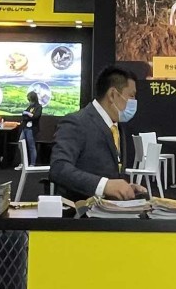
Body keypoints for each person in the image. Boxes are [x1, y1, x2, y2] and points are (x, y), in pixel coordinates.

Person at [49, 66, 144, 202]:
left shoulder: (117, 126)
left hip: (109, 210)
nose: (134, 102)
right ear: (112, 95)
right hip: (80, 211)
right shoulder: (77, 122)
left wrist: (125, 188)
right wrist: (104, 186)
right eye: (131, 96)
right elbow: (59, 168)